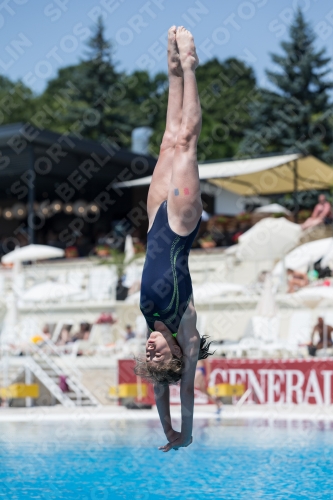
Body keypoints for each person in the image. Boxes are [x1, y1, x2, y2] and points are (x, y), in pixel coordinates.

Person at [134, 26, 213, 453]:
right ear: (179, 355)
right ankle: (191, 67)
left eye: (149, 357)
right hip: (180, 224)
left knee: (166, 142)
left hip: (152, 222)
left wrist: (163, 429)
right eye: (158, 356)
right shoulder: (186, 330)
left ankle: (172, 70)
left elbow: (158, 389)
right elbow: (181, 392)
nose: (150, 350)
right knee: (186, 142)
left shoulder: (150, 324)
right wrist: (181, 432)